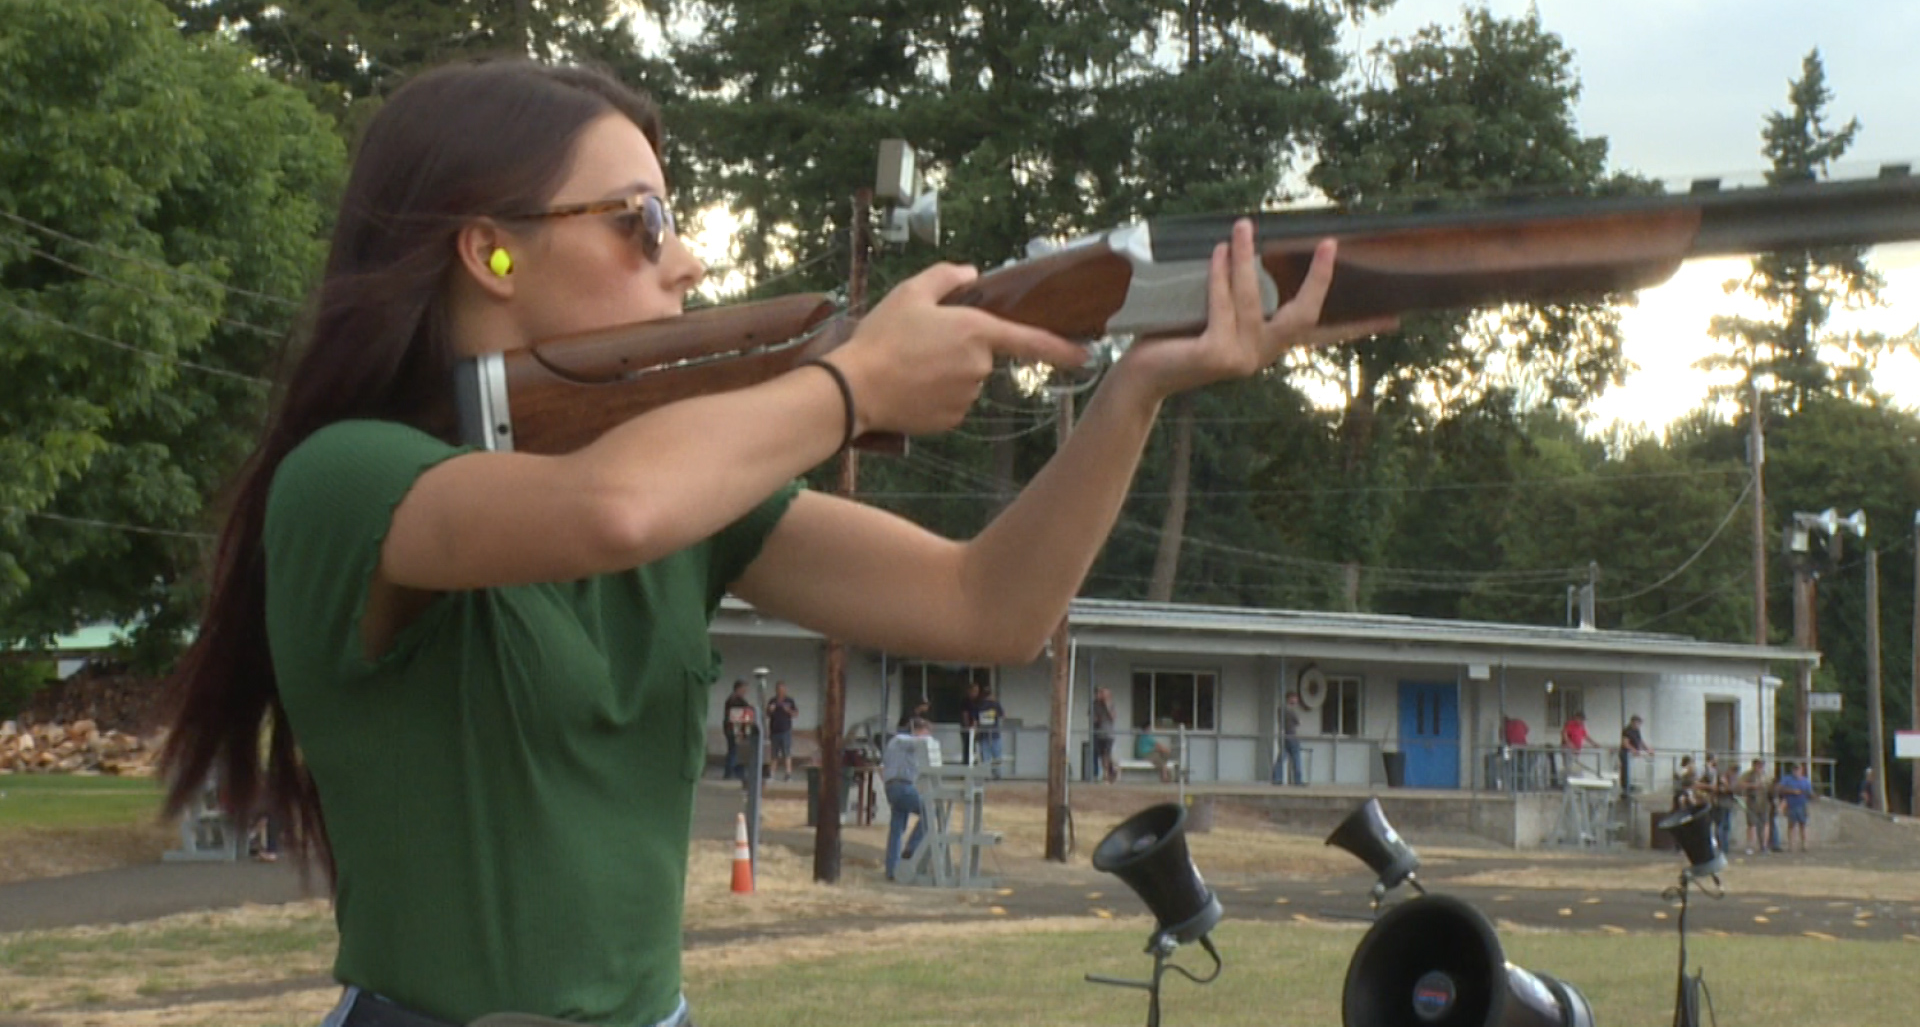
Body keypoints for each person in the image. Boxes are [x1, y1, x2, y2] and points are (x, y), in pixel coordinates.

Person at [152, 57, 1386, 1027]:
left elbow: (986, 608)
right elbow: (609, 511)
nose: (684, 258)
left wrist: (1135, 392)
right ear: (492, 249)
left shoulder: (691, 498)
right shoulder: (350, 479)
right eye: (640, 220)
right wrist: (853, 384)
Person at [881, 718, 935, 881]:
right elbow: (921, 742)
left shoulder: (901, 744)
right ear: (918, 730)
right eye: (926, 732)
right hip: (902, 786)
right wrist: (929, 740)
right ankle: (911, 848)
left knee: (897, 829)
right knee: (930, 812)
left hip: (894, 787)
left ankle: (892, 870)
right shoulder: (900, 740)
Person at [765, 681, 799, 782]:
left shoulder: (789, 701)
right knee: (774, 754)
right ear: (776, 690)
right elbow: (767, 714)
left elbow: (795, 714)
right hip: (774, 730)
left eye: (783, 690)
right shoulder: (772, 701)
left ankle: (788, 774)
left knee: (786, 753)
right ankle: (772, 774)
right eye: (779, 690)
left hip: (785, 730)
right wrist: (770, 710)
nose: (781, 692)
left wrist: (788, 710)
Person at [723, 679, 755, 781]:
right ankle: (730, 772)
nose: (745, 691)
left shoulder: (738, 700)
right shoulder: (734, 700)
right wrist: (739, 731)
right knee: (734, 751)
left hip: (737, 729)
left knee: (739, 751)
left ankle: (738, 773)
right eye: (744, 688)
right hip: (735, 729)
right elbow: (736, 716)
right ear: (739, 688)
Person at [1737, 758, 1770, 855]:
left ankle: (1764, 846)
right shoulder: (1747, 775)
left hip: (1764, 802)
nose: (1760, 767)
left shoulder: (1766, 775)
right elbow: (1740, 784)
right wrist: (1752, 786)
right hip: (1752, 801)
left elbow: (1770, 785)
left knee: (1765, 824)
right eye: (1758, 765)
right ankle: (1750, 846)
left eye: (1761, 765)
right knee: (1752, 825)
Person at [1778, 762, 1814, 851]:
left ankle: (1804, 844)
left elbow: (1809, 793)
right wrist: (1792, 791)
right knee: (1791, 825)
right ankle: (1791, 845)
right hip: (1791, 805)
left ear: (1801, 770)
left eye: (1798, 769)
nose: (1796, 771)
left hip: (1802, 804)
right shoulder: (1787, 779)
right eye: (1795, 769)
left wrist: (1812, 796)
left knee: (1803, 825)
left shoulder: (1805, 781)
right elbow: (1780, 789)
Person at [973, 685, 1007, 778]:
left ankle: (986, 774)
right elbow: (1003, 715)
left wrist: (976, 733)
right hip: (995, 733)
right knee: (997, 756)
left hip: (983, 734)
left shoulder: (979, 705)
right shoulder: (995, 704)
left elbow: (975, 721)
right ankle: (997, 774)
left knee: (985, 756)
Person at [1272, 692, 1304, 786]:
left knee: (1281, 758)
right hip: (1292, 736)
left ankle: (1277, 778)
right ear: (1290, 698)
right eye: (1295, 698)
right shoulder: (1290, 710)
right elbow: (1298, 722)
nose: (1296, 700)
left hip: (1284, 736)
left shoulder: (1280, 709)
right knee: (1296, 758)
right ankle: (1298, 780)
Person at [1619, 714, 1653, 794]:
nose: (1639, 725)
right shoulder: (1627, 730)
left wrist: (1648, 749)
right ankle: (1625, 787)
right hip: (1625, 753)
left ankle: (1628, 785)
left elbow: (1640, 741)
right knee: (1625, 770)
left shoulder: (1637, 730)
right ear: (1633, 722)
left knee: (1629, 770)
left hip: (1631, 754)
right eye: (1638, 723)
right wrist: (1633, 750)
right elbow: (1625, 743)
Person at [1090, 687, 1117, 784]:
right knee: (1102, 756)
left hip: (1108, 733)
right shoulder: (1096, 705)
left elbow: (1113, 717)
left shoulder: (1111, 705)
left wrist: (1107, 704)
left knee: (1107, 754)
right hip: (1099, 733)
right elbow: (1093, 718)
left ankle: (1106, 775)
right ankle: (1111, 772)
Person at [1559, 711, 1589, 784]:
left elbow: (1585, 736)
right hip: (1568, 749)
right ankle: (1566, 784)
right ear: (1576, 718)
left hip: (1577, 750)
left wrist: (1594, 744)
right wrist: (1570, 745)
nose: (1582, 721)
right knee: (1568, 767)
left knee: (1576, 767)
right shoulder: (1570, 724)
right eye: (1581, 719)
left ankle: (1575, 783)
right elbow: (1564, 734)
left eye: (1583, 720)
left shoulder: (1581, 726)